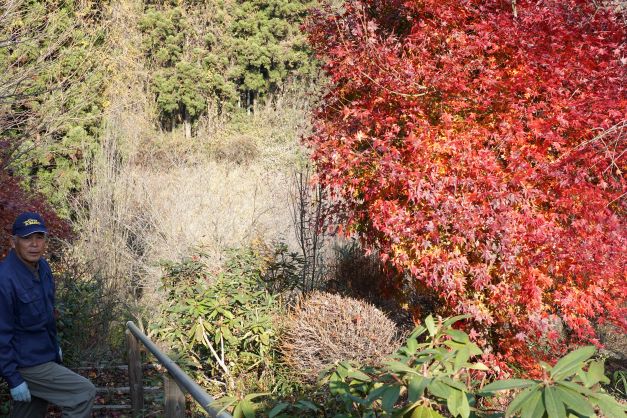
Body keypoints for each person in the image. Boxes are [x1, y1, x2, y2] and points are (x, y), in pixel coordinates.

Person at [0, 212, 95, 417]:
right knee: (83, 393)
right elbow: (1, 335)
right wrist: (13, 379)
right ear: (13, 242)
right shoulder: (4, 279)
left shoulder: (42, 267)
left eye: (39, 237)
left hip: (44, 353)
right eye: (27, 238)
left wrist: (55, 346)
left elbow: (47, 313)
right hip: (26, 363)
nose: (34, 244)